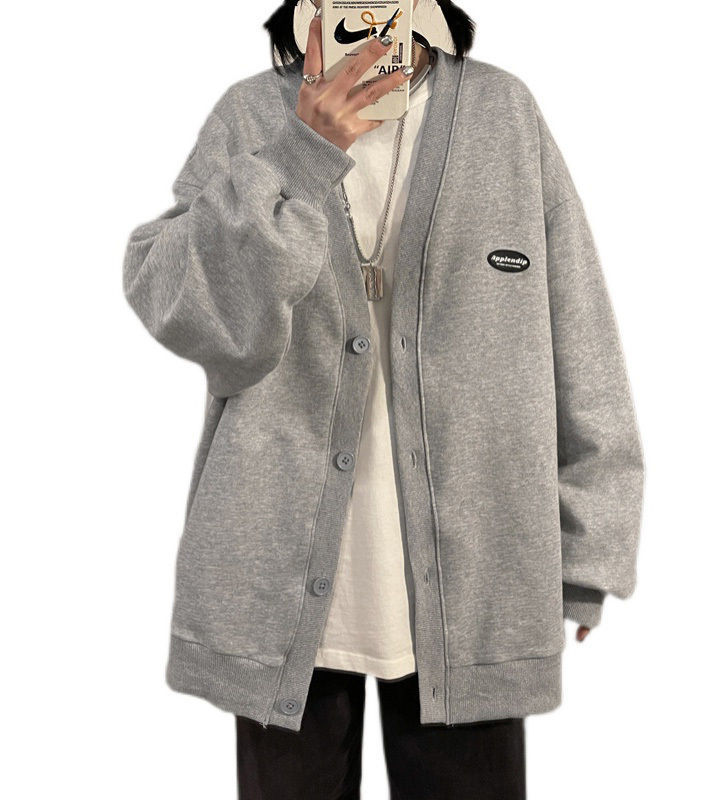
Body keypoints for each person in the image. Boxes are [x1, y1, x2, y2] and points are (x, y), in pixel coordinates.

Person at [122, 0, 644, 797]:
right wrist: (299, 154)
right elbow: (178, 303)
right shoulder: (252, 115)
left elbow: (578, 329)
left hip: (478, 584)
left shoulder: (501, 114)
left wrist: (589, 545)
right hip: (276, 579)